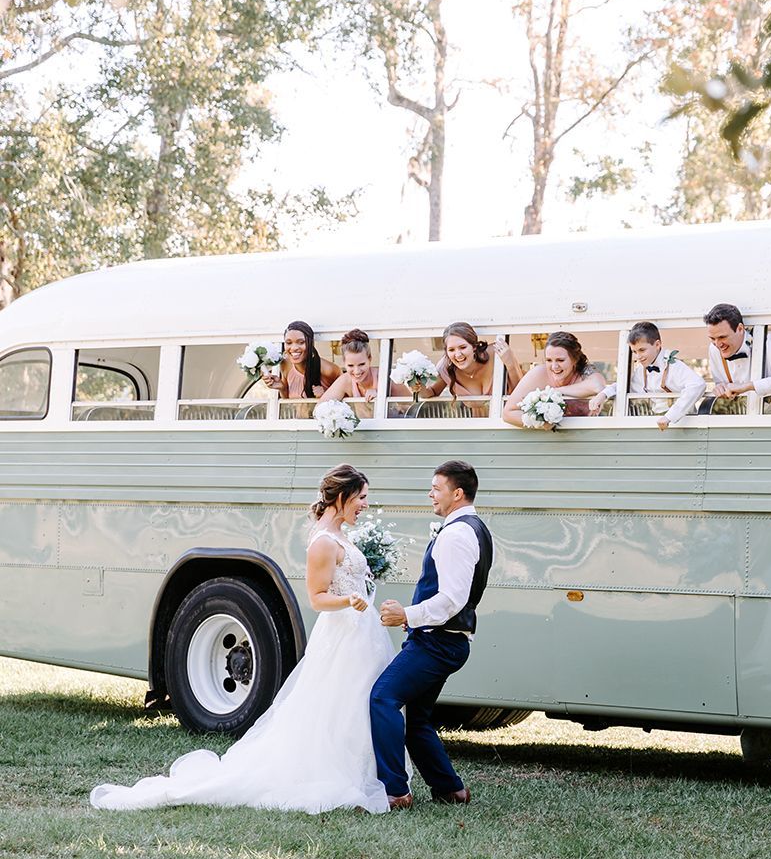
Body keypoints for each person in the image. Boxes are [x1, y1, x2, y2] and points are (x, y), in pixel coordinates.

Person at [91, 465, 394, 813]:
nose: (366, 505)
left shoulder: (340, 535)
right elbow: (316, 597)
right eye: (362, 498)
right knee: (337, 704)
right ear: (342, 497)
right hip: (342, 634)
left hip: (358, 633)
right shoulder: (323, 542)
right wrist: (348, 600)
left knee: (354, 703)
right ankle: (340, 772)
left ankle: (365, 769)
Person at [373, 461, 492, 809]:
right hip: (448, 641)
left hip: (438, 642)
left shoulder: (456, 534)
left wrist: (406, 615)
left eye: (436, 488)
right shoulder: (476, 527)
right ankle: (451, 790)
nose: (430, 494)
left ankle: (395, 792)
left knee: (383, 698)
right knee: (418, 719)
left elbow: (451, 600)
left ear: (457, 493)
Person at [589, 321, 707, 430]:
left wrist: (669, 417)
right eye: (634, 352)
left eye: (642, 350)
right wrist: (603, 394)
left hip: (683, 423)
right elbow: (625, 387)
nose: (638, 357)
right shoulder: (642, 369)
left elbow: (698, 385)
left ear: (657, 345)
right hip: (657, 421)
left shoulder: (674, 365)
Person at [702, 303, 771, 409]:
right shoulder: (713, 349)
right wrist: (720, 388)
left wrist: (750, 386)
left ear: (740, 329)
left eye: (722, 337)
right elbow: (721, 383)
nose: (718, 344)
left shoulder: (768, 340)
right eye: (712, 338)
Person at [501, 331, 607, 428]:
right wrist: (540, 422)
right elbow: (508, 413)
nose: (554, 366)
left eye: (560, 360)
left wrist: (555, 392)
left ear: (574, 360)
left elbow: (598, 386)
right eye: (549, 360)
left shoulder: (584, 371)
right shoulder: (539, 374)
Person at [419, 322, 522, 402]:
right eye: (451, 350)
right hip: (476, 426)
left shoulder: (497, 353)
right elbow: (430, 393)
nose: (458, 354)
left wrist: (510, 363)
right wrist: (416, 384)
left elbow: (522, 392)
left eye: (463, 347)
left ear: (474, 346)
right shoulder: (445, 368)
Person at [321, 329, 409, 417]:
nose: (357, 371)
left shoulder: (385, 377)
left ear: (370, 359)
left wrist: (380, 394)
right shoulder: (345, 380)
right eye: (351, 365)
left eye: (362, 364)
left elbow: (412, 406)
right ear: (344, 363)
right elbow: (320, 408)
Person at [262, 320, 339, 401]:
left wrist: (326, 396)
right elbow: (289, 401)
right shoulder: (285, 364)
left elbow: (347, 400)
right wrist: (282, 388)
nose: (294, 348)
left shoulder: (328, 369)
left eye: (301, 342)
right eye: (289, 343)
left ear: (310, 343)